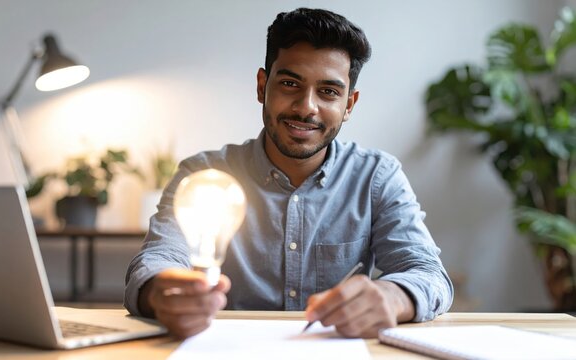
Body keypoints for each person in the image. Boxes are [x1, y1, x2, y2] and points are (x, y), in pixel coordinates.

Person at [125, 7, 453, 339]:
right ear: (262, 86)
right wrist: (160, 291)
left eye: (328, 92)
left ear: (349, 104)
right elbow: (156, 261)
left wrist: (392, 296)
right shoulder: (204, 175)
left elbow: (428, 274)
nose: (306, 107)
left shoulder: (377, 177)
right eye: (289, 83)